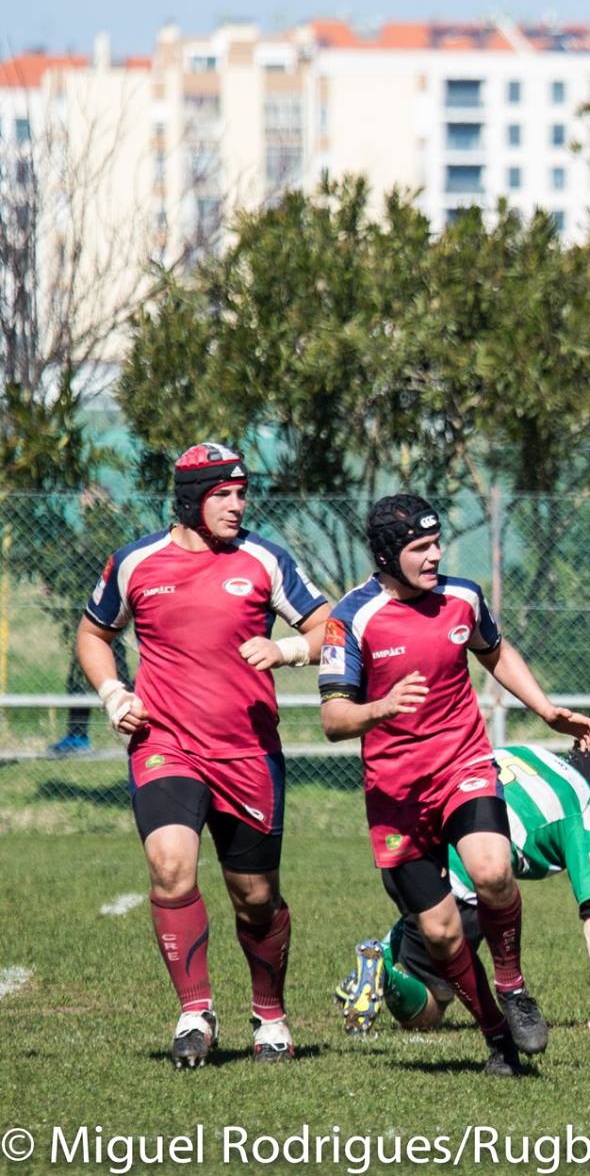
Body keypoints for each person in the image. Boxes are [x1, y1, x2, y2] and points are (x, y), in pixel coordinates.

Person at [319, 493, 590, 1076]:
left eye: (437, 543)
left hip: (463, 765)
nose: (435, 556)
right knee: (443, 936)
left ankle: (514, 987)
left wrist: (546, 710)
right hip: (396, 796)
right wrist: (382, 708)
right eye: (420, 548)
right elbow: (332, 719)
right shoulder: (353, 617)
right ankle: (496, 1033)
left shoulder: (462, 597)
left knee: (494, 870)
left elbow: (495, 653)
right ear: (388, 555)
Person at [76, 443, 330, 1067]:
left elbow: (331, 627)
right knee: (170, 866)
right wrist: (113, 692)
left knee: (256, 897)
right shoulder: (135, 561)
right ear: (191, 500)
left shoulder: (265, 559)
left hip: (248, 752)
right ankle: (196, 1012)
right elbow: (92, 633)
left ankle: (270, 1015)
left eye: (242, 494)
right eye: (224, 495)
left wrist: (290, 652)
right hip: (164, 745)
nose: (238, 506)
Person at [336, 741, 590, 1034]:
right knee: (432, 1006)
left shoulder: (527, 752)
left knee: (423, 920)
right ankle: (384, 976)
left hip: (408, 844)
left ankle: (374, 964)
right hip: (467, 874)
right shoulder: (584, 809)